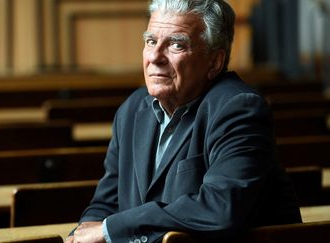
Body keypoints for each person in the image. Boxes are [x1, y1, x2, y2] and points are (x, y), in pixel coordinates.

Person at [67, 0, 302, 242]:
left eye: (176, 45)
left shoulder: (239, 108)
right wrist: (83, 234)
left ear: (215, 62)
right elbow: (106, 204)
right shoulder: (132, 109)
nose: (155, 56)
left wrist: (108, 231)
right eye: (150, 41)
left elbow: (220, 209)